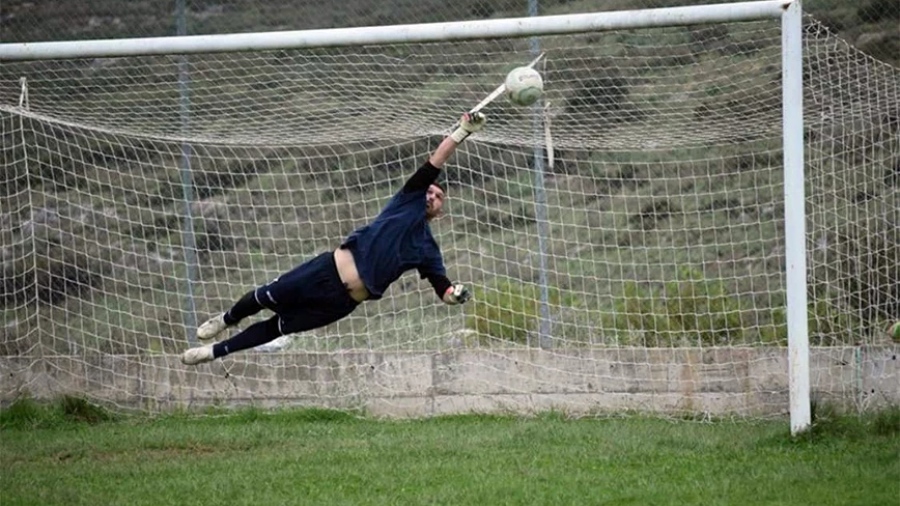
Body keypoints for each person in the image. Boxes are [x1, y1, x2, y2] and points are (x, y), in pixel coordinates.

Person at [181, 111, 487, 365]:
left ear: (440, 212)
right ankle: (226, 318)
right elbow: (436, 160)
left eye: (438, 196)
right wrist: (462, 131)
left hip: (340, 302)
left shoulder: (428, 249)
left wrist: (455, 295)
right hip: (324, 270)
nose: (431, 195)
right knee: (262, 298)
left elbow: (443, 288)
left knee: (275, 328)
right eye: (430, 190)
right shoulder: (407, 200)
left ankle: (212, 353)